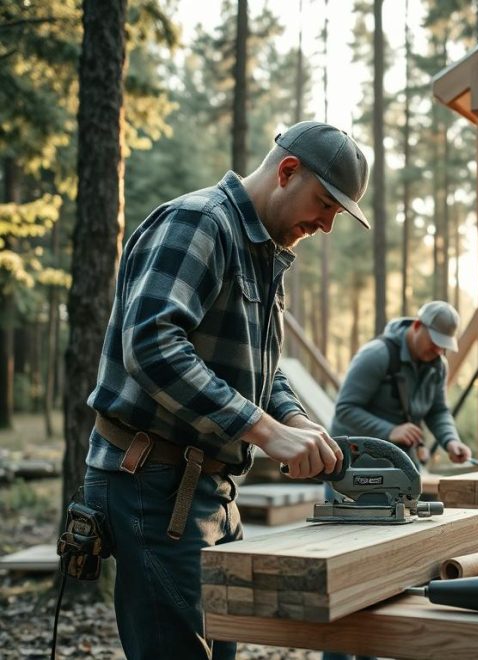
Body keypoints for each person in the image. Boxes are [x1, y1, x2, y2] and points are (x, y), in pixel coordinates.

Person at [82, 120, 370, 659]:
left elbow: (259, 370)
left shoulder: (263, 252)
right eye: (326, 204)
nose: (328, 225)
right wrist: (264, 431)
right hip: (152, 482)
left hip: (209, 491)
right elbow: (150, 345)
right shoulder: (198, 223)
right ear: (288, 171)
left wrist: (292, 418)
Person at [331, 300, 473, 467]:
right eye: (434, 342)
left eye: (443, 345)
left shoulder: (438, 367)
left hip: (394, 459)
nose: (438, 351)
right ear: (417, 326)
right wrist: (390, 430)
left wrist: (451, 441)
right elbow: (345, 410)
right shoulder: (376, 355)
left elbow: (438, 410)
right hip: (351, 461)